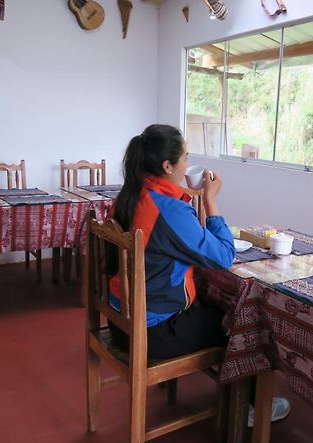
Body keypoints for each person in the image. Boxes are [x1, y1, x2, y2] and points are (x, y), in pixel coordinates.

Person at [107, 123, 289, 422]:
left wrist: (187, 195)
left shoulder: (134, 195)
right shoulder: (169, 211)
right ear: (167, 165)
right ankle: (251, 408)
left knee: (215, 305)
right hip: (151, 332)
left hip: (121, 320)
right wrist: (211, 200)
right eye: (185, 159)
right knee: (243, 322)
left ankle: (241, 397)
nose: (187, 165)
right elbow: (223, 256)